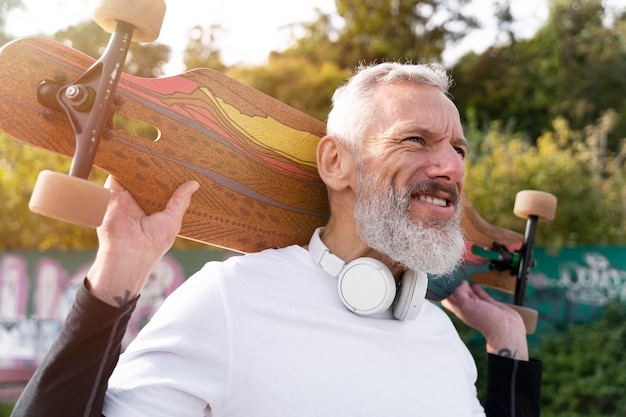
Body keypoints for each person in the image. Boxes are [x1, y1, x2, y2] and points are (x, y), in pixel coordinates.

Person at [11, 62, 541, 417]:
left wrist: (508, 345)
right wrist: (117, 277)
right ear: (336, 162)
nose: (450, 165)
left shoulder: (441, 340)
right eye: (415, 140)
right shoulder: (230, 301)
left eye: (459, 149)